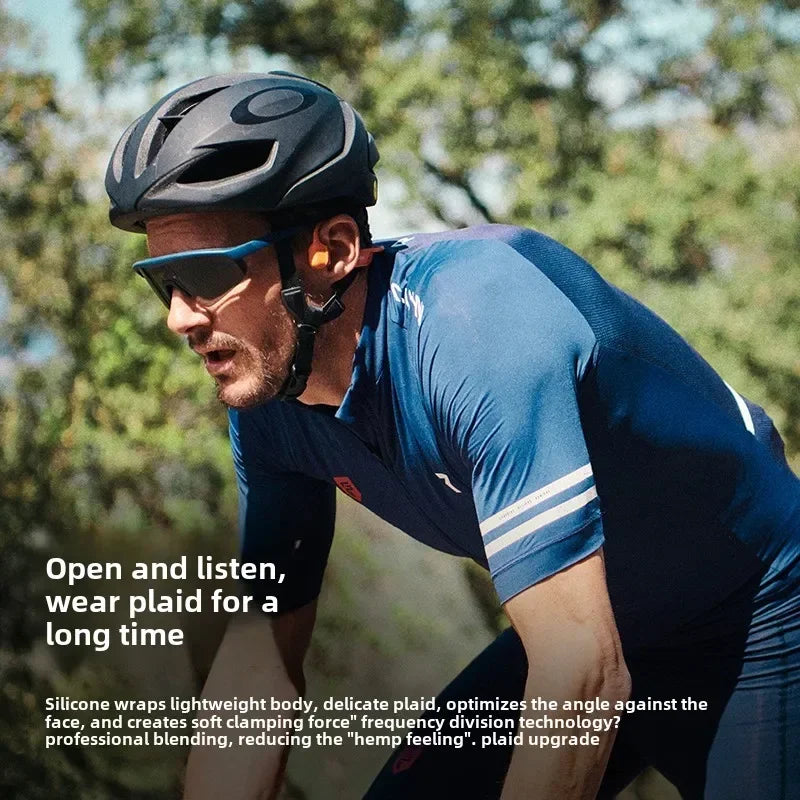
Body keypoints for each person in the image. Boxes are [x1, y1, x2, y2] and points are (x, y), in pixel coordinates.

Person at [106, 71, 800, 800]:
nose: (180, 318)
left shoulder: (477, 324)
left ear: (333, 250)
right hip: (593, 628)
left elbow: (581, 674)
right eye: (164, 282)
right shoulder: (270, 401)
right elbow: (259, 668)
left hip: (758, 612)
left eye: (208, 276)